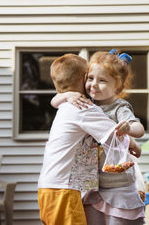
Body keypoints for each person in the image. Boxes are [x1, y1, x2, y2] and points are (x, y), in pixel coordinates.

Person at [52, 49, 145, 225]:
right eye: (90, 78)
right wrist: (67, 95)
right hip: (91, 185)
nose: (94, 84)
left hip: (118, 183)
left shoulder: (119, 108)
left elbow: (139, 129)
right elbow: (54, 102)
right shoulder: (85, 101)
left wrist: (129, 128)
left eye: (102, 80)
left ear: (118, 87)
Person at [38, 53, 120, 225]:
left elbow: (55, 100)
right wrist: (134, 144)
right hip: (64, 189)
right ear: (84, 78)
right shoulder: (82, 108)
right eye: (90, 77)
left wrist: (65, 95)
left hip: (54, 188)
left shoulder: (67, 104)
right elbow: (115, 132)